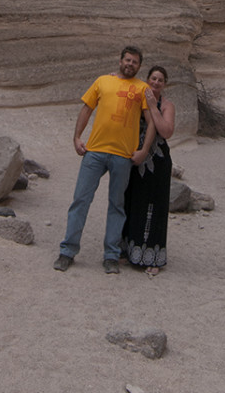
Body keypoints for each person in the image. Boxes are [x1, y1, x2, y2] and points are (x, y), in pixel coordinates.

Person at [53, 46, 153, 275]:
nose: (130, 64)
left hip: (123, 156)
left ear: (139, 66)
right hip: (95, 151)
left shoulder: (142, 88)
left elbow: (151, 121)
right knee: (80, 200)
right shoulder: (102, 81)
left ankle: (111, 255)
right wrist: (77, 137)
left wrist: (144, 150)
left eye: (135, 62)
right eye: (127, 60)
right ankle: (67, 251)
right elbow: (87, 109)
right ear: (120, 61)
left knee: (117, 206)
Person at [121, 64, 175, 277]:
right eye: (153, 78)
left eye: (160, 80)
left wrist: (153, 107)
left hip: (157, 161)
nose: (155, 83)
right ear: (147, 79)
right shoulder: (137, 99)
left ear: (164, 84)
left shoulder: (167, 105)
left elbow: (166, 131)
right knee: (132, 202)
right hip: (135, 159)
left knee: (155, 206)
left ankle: (152, 256)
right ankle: (128, 249)